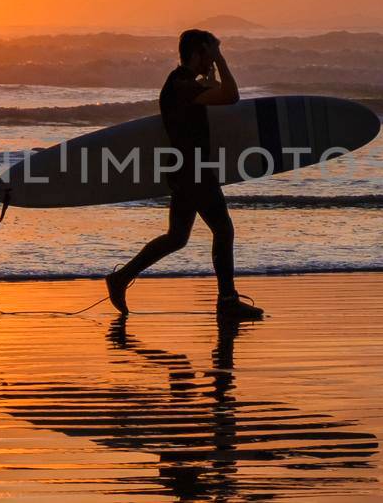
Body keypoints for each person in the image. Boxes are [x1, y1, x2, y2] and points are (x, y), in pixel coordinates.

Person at [104, 29, 264, 319]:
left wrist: (211, 65)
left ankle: (120, 278)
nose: (212, 60)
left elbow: (215, 91)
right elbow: (231, 95)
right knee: (223, 229)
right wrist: (221, 59)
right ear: (199, 52)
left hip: (184, 170)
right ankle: (227, 301)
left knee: (177, 237)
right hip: (193, 171)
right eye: (209, 54)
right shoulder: (182, 86)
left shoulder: (182, 82)